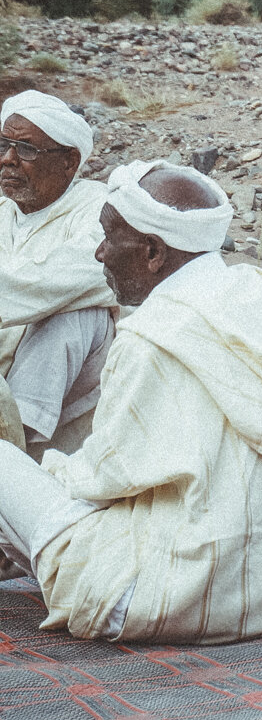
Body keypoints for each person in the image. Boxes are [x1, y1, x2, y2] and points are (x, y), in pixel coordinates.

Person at [0, 160, 262, 643]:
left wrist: (50, 474)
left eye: (107, 236)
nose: (99, 253)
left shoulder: (153, 336)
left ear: (151, 252)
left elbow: (106, 478)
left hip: (171, 598)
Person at [0, 90, 116, 459]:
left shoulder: (100, 209)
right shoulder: (4, 211)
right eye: (4, 145)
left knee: (73, 313)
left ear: (69, 161)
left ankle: (16, 448)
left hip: (72, 391)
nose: (8, 160)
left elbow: (42, 286)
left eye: (26, 150)